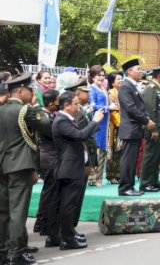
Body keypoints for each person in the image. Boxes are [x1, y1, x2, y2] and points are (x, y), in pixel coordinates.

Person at [0, 72, 48, 265]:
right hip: (20, 165)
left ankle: (3, 251)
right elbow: (46, 124)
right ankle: (15, 253)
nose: (32, 92)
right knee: (18, 211)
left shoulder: (1, 109)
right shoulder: (25, 110)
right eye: (30, 90)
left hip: (2, 164)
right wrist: (37, 106)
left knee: (3, 211)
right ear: (20, 91)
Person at [48, 91, 103, 250]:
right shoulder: (61, 121)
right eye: (76, 104)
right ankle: (67, 238)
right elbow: (80, 135)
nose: (78, 107)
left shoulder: (67, 119)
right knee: (67, 205)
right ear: (66, 105)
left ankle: (68, 234)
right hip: (69, 169)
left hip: (73, 167)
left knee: (69, 205)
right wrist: (94, 121)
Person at [118, 58, 154, 196]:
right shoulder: (125, 86)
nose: (141, 71)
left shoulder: (132, 86)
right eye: (138, 69)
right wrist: (146, 121)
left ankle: (130, 186)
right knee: (128, 160)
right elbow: (131, 108)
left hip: (135, 128)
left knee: (132, 160)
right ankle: (125, 188)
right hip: (130, 128)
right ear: (129, 71)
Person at [140, 65, 160, 192]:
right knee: (150, 156)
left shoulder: (159, 89)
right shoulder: (151, 88)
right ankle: (146, 183)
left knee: (158, 157)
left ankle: (154, 180)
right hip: (155, 129)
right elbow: (150, 111)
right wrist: (153, 130)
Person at [32, 90, 59, 237]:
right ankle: (43, 223)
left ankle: (42, 222)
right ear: (50, 103)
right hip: (49, 157)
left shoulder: (49, 115)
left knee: (50, 191)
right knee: (49, 192)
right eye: (57, 100)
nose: (59, 103)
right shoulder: (44, 117)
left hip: (50, 156)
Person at [88, 65, 111, 187]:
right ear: (92, 77)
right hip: (97, 122)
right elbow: (92, 106)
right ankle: (92, 178)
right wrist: (108, 108)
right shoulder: (91, 89)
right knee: (96, 148)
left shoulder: (102, 88)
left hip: (105, 123)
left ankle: (99, 177)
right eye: (99, 75)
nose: (101, 78)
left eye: (103, 75)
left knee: (102, 149)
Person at [106, 72, 123, 184]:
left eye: (122, 78)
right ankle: (111, 175)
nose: (121, 81)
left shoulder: (121, 92)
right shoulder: (111, 93)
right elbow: (114, 112)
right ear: (112, 82)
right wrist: (121, 124)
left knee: (120, 151)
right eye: (118, 79)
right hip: (115, 127)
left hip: (122, 125)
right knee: (113, 151)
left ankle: (119, 174)